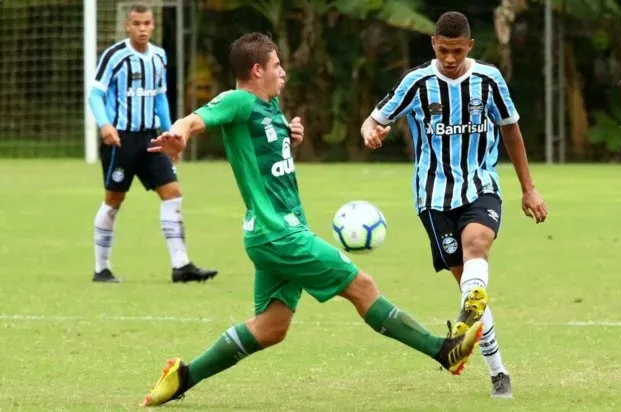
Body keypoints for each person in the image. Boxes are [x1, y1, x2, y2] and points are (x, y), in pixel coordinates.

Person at [139, 32, 484, 407]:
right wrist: (179, 133)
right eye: (276, 65)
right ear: (257, 70)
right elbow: (198, 118)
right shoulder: (238, 100)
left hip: (273, 235)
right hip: (280, 235)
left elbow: (264, 151)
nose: (283, 72)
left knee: (271, 328)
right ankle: (443, 352)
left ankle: (184, 377)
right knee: (363, 287)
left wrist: (290, 139)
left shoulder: (268, 108)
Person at [360, 11, 549, 398]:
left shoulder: (489, 80)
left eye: (457, 51)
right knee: (468, 285)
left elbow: (511, 130)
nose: (450, 58)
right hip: (433, 199)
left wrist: (529, 188)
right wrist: (372, 133)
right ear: (433, 44)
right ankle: (498, 372)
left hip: (481, 185)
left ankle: (469, 330)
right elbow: (374, 120)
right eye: (444, 50)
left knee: (478, 246)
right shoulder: (416, 82)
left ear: (470, 47)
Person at [88, 2, 217, 283]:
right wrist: (105, 124)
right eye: (137, 24)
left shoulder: (159, 56)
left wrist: (172, 135)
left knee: (172, 193)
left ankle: (181, 265)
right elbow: (95, 94)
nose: (142, 29)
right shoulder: (115, 56)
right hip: (121, 139)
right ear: (128, 25)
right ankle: (101, 268)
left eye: (147, 24)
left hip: (150, 139)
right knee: (113, 200)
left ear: (153, 25)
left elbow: (159, 98)